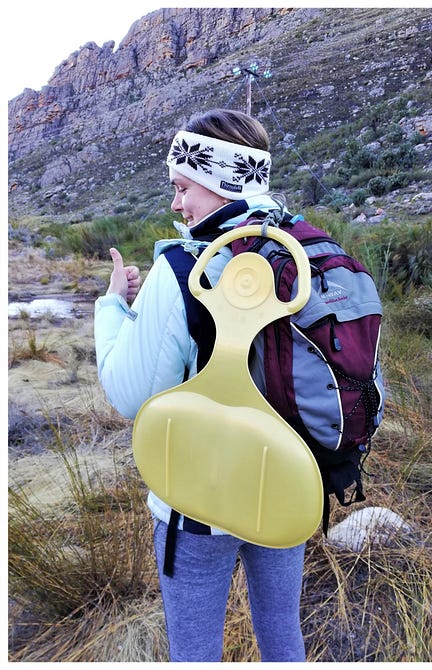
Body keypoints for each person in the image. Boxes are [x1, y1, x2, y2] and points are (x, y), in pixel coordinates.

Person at [94, 109, 307, 662]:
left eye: (183, 186)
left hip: (199, 501)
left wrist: (113, 303)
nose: (176, 204)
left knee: (194, 650)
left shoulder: (185, 266)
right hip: (287, 483)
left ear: (219, 183)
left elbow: (128, 393)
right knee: (284, 635)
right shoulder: (301, 253)